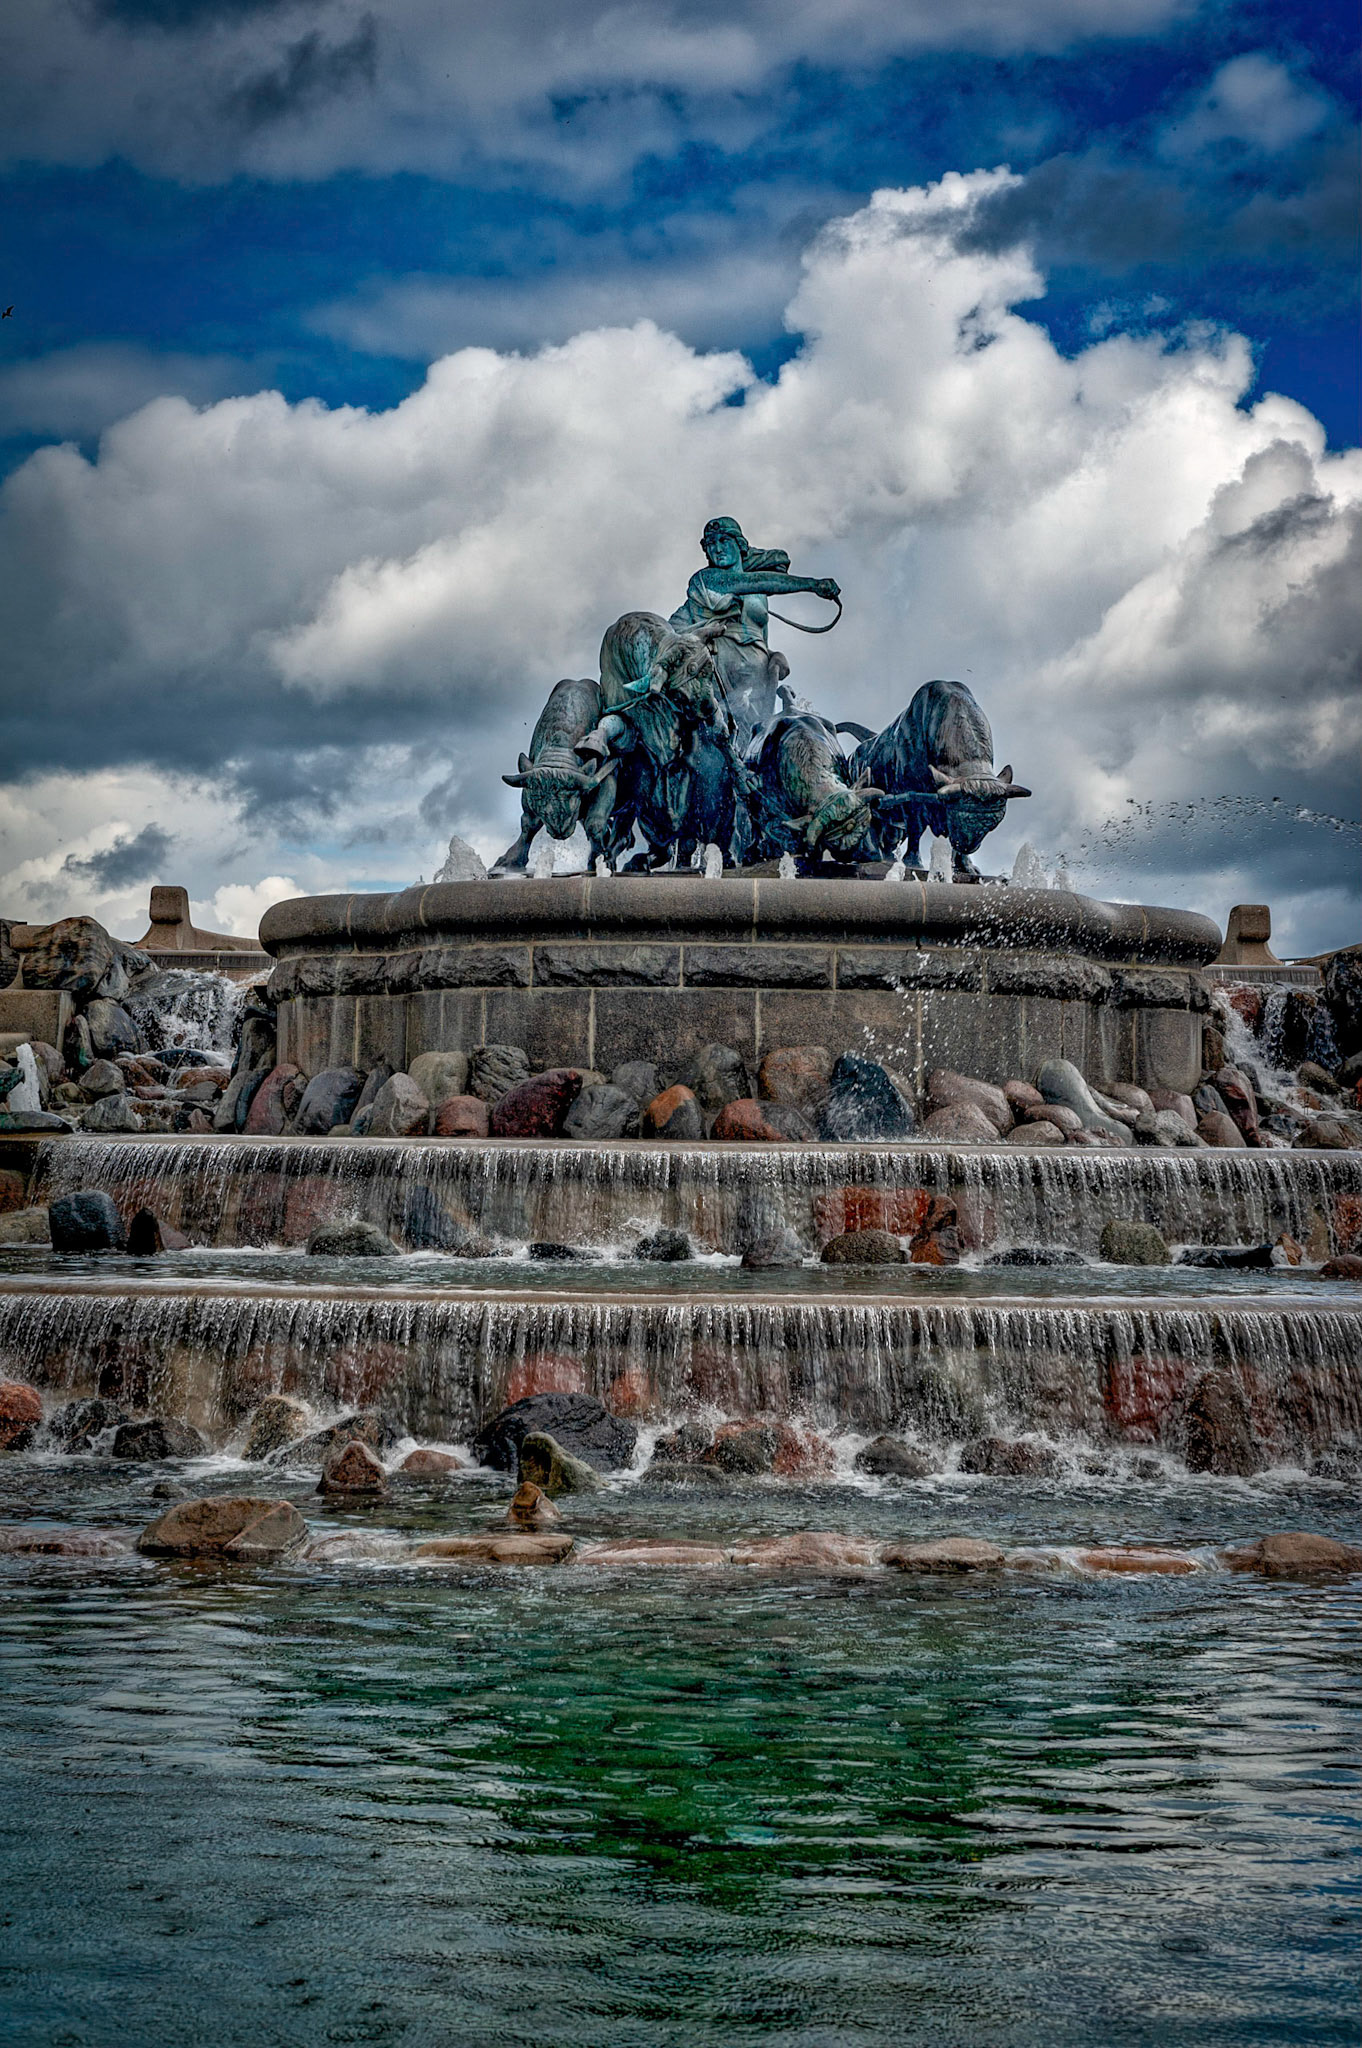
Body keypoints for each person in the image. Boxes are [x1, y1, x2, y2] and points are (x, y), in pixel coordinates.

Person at [667, 515, 841, 746]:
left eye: (724, 541)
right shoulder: (708, 579)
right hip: (720, 675)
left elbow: (762, 633)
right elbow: (759, 581)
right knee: (728, 732)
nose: (717, 549)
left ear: (739, 544)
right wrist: (812, 585)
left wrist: (771, 660)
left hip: (756, 680)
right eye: (711, 545)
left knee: (756, 741)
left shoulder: (759, 598)